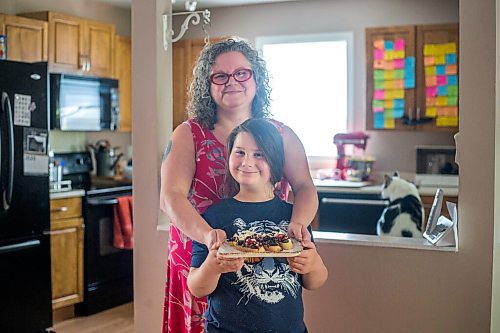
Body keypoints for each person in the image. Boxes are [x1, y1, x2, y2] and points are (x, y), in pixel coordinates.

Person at [159, 37, 318, 333]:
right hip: (203, 261)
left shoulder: (281, 134)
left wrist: (298, 225)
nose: (231, 82)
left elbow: (306, 188)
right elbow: (171, 197)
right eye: (220, 75)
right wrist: (209, 239)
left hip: (266, 262)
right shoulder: (187, 133)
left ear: (256, 79)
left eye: (241, 73)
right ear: (207, 85)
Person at [187, 119, 328, 333]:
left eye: (259, 154)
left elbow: (315, 281)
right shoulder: (214, 217)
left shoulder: (294, 217)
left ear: (276, 162)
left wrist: (312, 263)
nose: (247, 162)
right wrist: (212, 266)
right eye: (240, 152)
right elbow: (196, 287)